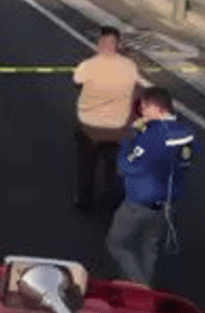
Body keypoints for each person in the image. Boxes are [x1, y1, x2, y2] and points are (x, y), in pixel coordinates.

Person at [107, 88, 196, 286]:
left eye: (144, 108)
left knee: (117, 244)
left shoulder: (151, 137)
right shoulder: (186, 133)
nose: (142, 113)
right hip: (167, 203)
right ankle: (141, 292)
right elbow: (184, 163)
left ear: (157, 107)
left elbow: (126, 167)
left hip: (139, 202)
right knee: (148, 248)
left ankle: (140, 288)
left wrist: (128, 138)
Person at [73, 26, 139, 212]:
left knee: (86, 165)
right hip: (117, 128)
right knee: (114, 167)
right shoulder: (129, 66)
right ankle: (112, 200)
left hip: (90, 127)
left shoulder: (89, 65)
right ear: (118, 45)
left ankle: (84, 201)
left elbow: (77, 82)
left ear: (100, 44)